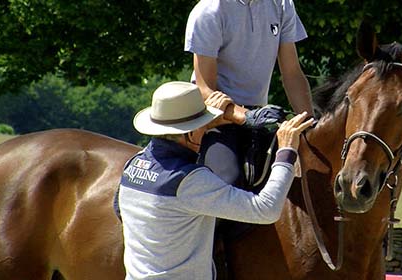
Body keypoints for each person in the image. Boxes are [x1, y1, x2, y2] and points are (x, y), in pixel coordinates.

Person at [118, 81, 314, 280]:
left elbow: (119, 208)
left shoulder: (133, 165)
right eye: (202, 128)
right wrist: (286, 150)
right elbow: (266, 210)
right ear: (190, 133)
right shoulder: (189, 180)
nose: (205, 131)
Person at [184, 0, 314, 185]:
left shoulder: (282, 4)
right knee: (228, 182)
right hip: (218, 118)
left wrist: (308, 122)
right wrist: (248, 116)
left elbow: (292, 74)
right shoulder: (208, 11)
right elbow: (205, 91)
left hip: (261, 117)